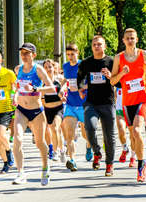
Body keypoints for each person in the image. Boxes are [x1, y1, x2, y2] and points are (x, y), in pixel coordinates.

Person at [110, 28, 146, 182]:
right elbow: (112, 81)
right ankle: (137, 157)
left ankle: (141, 164)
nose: (130, 40)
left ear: (137, 39)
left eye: (132, 38)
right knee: (133, 136)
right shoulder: (119, 58)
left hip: (142, 98)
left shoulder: (143, 54)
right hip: (127, 102)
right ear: (123, 40)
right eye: (127, 38)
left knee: (137, 131)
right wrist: (122, 73)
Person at [12, 43, 55, 185]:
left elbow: (52, 89)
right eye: (22, 53)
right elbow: (18, 87)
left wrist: (36, 88)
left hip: (36, 111)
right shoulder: (18, 69)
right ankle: (20, 173)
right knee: (17, 138)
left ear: (33, 55)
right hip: (21, 110)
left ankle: (45, 166)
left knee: (39, 142)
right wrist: (15, 95)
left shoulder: (39, 69)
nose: (24, 56)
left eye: (27, 53)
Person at [77, 35, 116, 176]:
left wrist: (110, 75)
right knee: (90, 128)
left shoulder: (111, 61)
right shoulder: (86, 62)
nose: (97, 46)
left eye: (99, 44)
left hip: (107, 102)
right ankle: (97, 152)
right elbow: (79, 78)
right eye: (94, 44)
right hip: (91, 102)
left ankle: (109, 164)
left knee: (109, 136)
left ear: (104, 46)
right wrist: (81, 88)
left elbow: (118, 81)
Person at [62, 43, 92, 171]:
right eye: (68, 54)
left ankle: (89, 147)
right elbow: (66, 80)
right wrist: (62, 89)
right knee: (69, 134)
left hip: (84, 104)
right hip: (70, 104)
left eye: (72, 54)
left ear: (77, 53)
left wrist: (81, 87)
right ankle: (72, 160)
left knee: (87, 134)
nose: (70, 57)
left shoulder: (84, 65)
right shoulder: (65, 66)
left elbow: (93, 82)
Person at [42, 59, 66, 162]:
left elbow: (66, 83)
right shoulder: (42, 82)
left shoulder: (59, 79)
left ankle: (55, 151)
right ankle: (62, 149)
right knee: (53, 131)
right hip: (47, 109)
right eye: (46, 67)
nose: (48, 69)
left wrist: (63, 94)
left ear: (53, 68)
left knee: (56, 128)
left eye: (50, 67)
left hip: (58, 108)